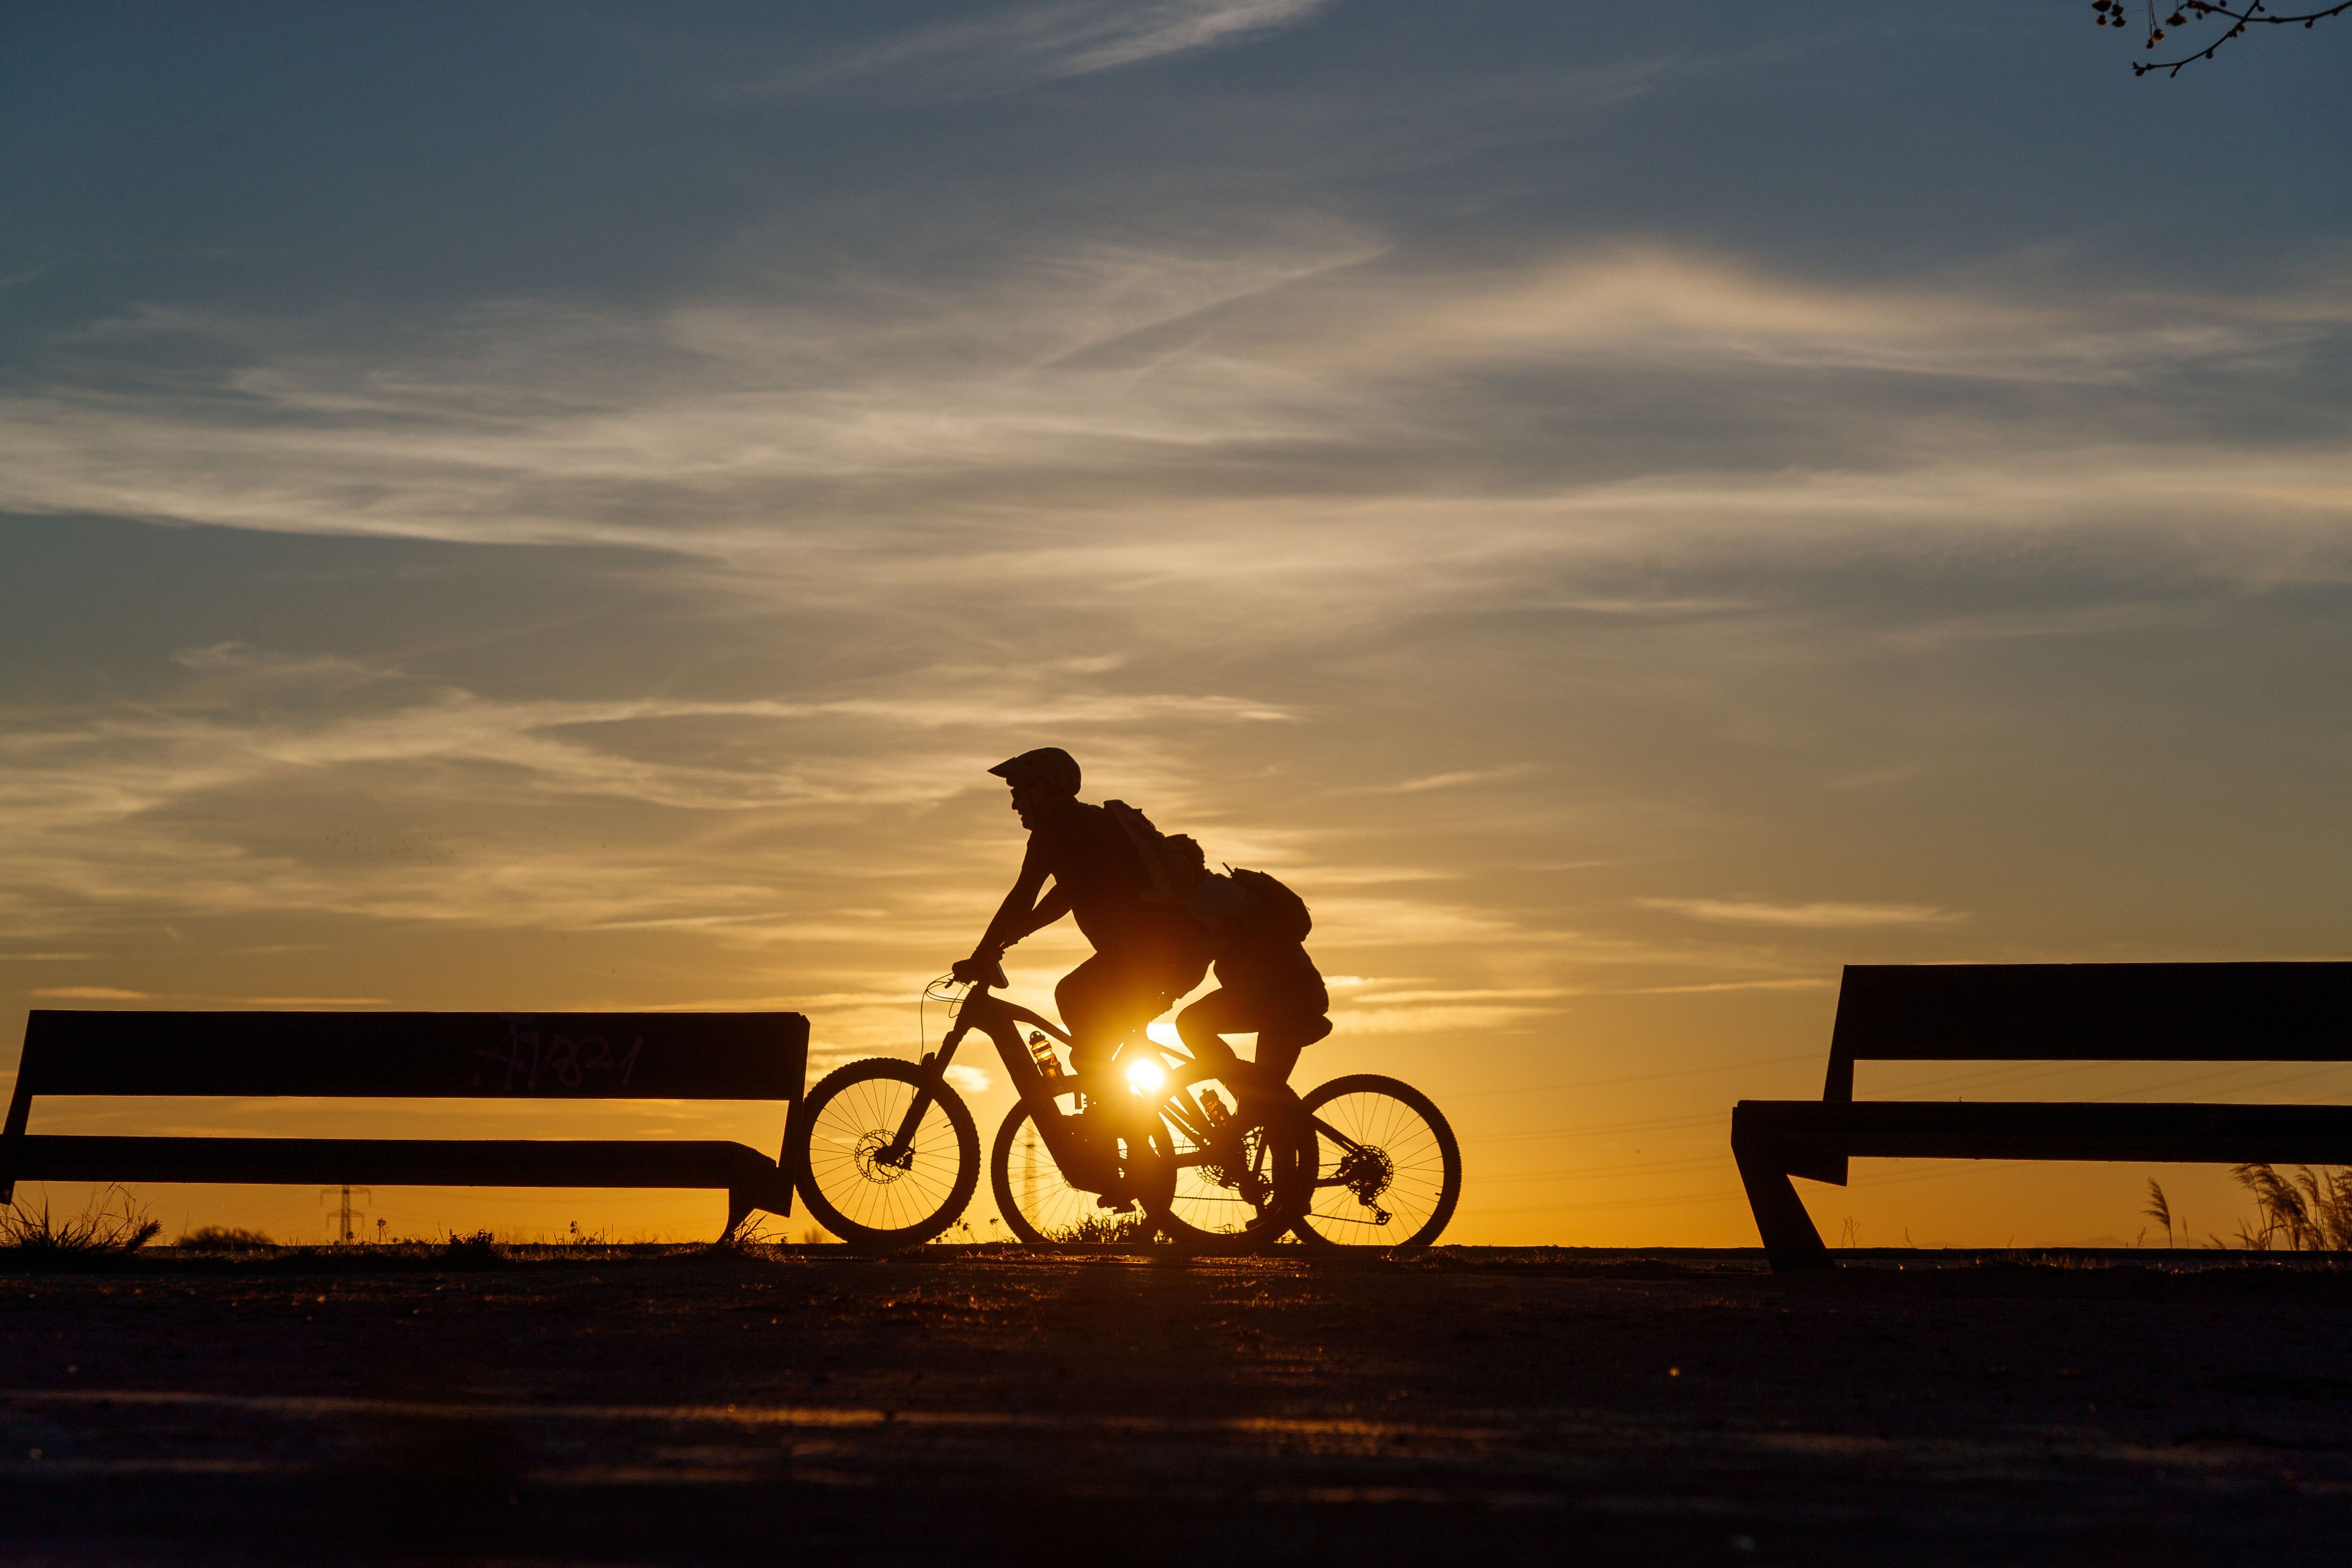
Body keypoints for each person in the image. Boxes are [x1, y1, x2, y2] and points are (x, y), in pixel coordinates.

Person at [953, 748, 1209, 1099]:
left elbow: (1023, 896)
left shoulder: (1056, 831)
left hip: (1153, 958)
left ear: (1043, 789)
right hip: (1171, 954)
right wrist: (1004, 940)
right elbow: (1064, 896)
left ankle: (1119, 1118)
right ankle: (1117, 1116)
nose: (1015, 804)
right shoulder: (1086, 824)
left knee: (1074, 999)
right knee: (1092, 1051)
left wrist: (984, 952)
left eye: (1019, 793)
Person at [1170, 844, 1333, 1100]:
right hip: (1295, 995)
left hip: (1278, 999)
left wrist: (1156, 1000)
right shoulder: (1226, 891)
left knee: (1192, 1025)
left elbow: (1191, 964)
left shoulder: (1205, 899)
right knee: (1264, 1099)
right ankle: (1251, 1100)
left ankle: (1242, 1091)